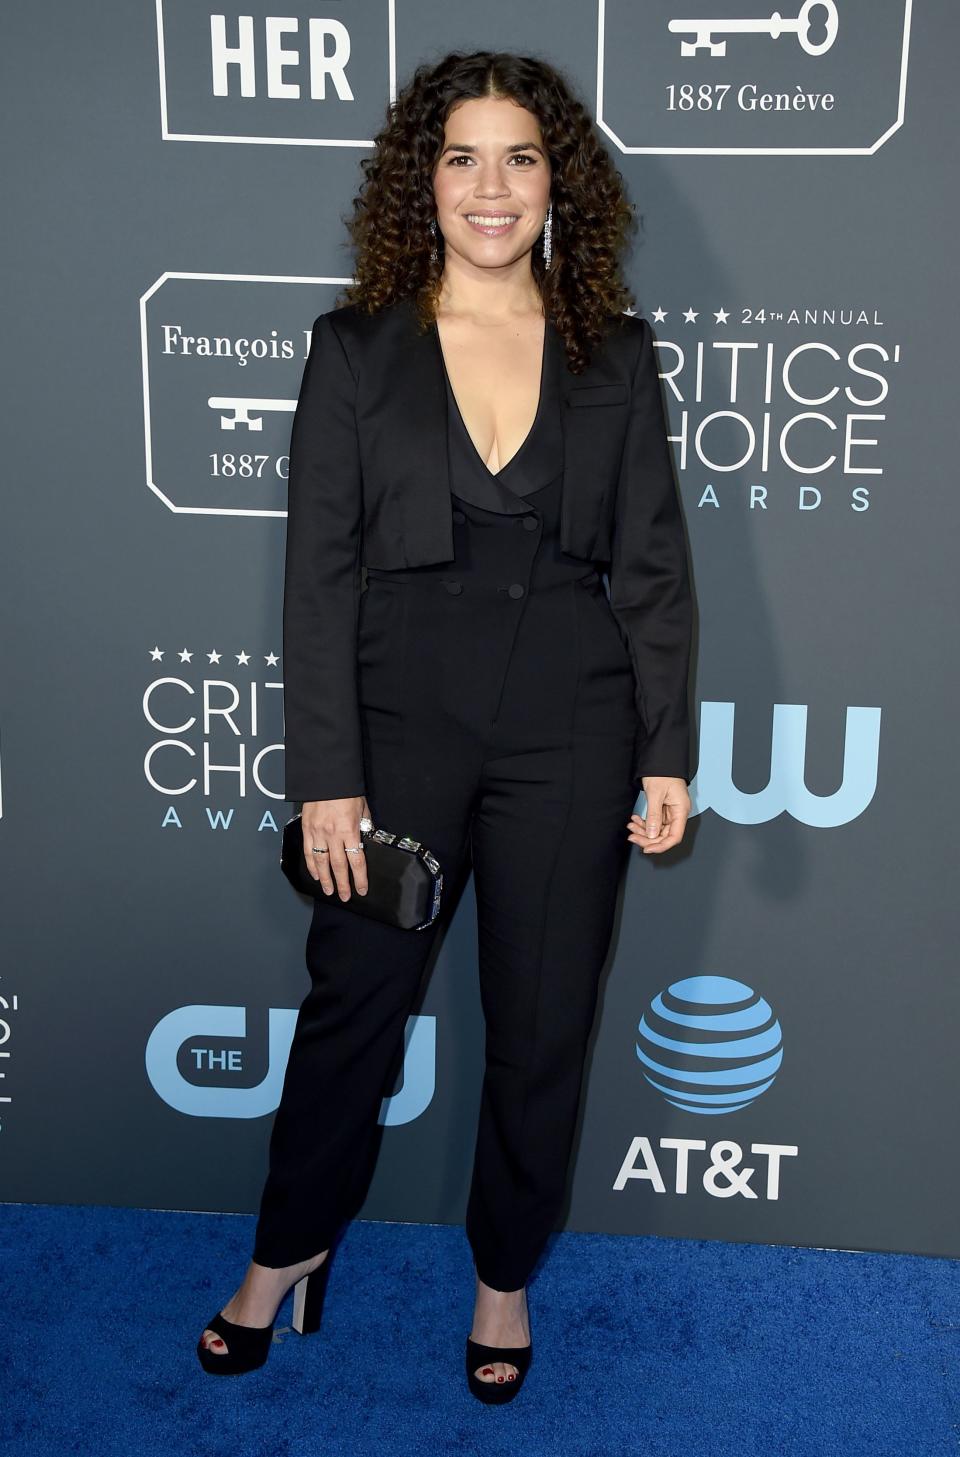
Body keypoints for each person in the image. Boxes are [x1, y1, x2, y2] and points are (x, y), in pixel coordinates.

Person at [196, 49, 694, 1403]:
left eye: (520, 157)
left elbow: (651, 563)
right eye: (464, 156)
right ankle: (286, 1253)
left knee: (540, 1027)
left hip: (573, 726)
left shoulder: (616, 355)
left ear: (557, 184)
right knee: (355, 1012)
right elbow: (317, 578)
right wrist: (326, 778)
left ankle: (502, 1277)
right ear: (424, 182)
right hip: (397, 724)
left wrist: (664, 747)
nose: (492, 185)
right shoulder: (354, 348)